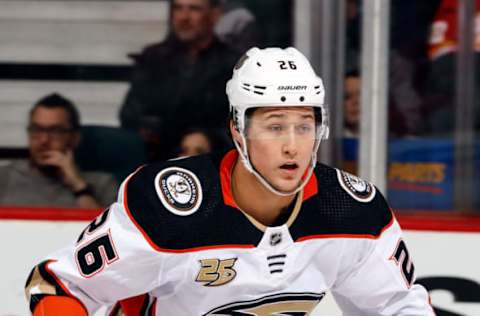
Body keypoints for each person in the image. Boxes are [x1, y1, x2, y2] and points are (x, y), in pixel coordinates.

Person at [25, 48, 434, 315]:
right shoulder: (172, 207)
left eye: (304, 126)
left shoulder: (351, 212)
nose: (293, 146)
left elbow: (397, 305)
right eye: (275, 127)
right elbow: (57, 283)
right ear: (238, 132)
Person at [119, 0, 239, 161]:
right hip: (155, 156)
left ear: (215, 15)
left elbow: (240, 123)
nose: (184, 17)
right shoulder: (153, 58)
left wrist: (207, 138)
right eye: (178, 8)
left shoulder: (233, 64)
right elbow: (130, 114)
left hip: (212, 159)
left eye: (194, 9)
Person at [0, 93, 117, 209]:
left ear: (75, 138)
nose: (44, 140)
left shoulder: (103, 184)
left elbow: (104, 227)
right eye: (36, 130)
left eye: (55, 131)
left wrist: (78, 186)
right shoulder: (4, 177)